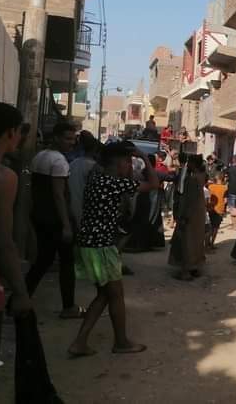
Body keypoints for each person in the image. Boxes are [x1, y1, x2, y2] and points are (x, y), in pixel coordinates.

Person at [0, 103, 64, 399]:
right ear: (10, 132)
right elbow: (2, 242)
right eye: (20, 132)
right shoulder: (2, 177)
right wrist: (20, 293)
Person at [68, 142, 159, 357]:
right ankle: (121, 342)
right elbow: (154, 183)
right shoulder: (113, 183)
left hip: (89, 243)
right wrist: (144, 157)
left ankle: (80, 342)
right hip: (102, 245)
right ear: (119, 163)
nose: (130, 166)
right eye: (128, 162)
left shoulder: (97, 178)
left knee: (104, 295)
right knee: (115, 295)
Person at [25, 122, 85, 319]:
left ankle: (18, 299)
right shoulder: (59, 161)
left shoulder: (39, 157)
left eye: (73, 138)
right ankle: (68, 307)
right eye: (67, 138)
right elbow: (59, 195)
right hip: (55, 219)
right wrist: (66, 225)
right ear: (56, 138)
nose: (72, 142)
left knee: (43, 260)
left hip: (40, 216)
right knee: (66, 262)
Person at [169, 154, 207, 280]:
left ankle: (185, 271)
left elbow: (187, 200)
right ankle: (195, 267)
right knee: (197, 241)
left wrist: (182, 215)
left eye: (189, 163)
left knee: (186, 242)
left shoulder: (192, 179)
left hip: (190, 215)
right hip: (199, 214)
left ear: (193, 164)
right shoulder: (201, 176)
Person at [207, 173, 228, 249]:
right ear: (222, 179)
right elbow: (225, 201)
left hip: (211, 208)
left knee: (210, 227)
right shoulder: (225, 188)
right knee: (215, 227)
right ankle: (212, 243)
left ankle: (207, 242)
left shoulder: (210, 187)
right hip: (220, 209)